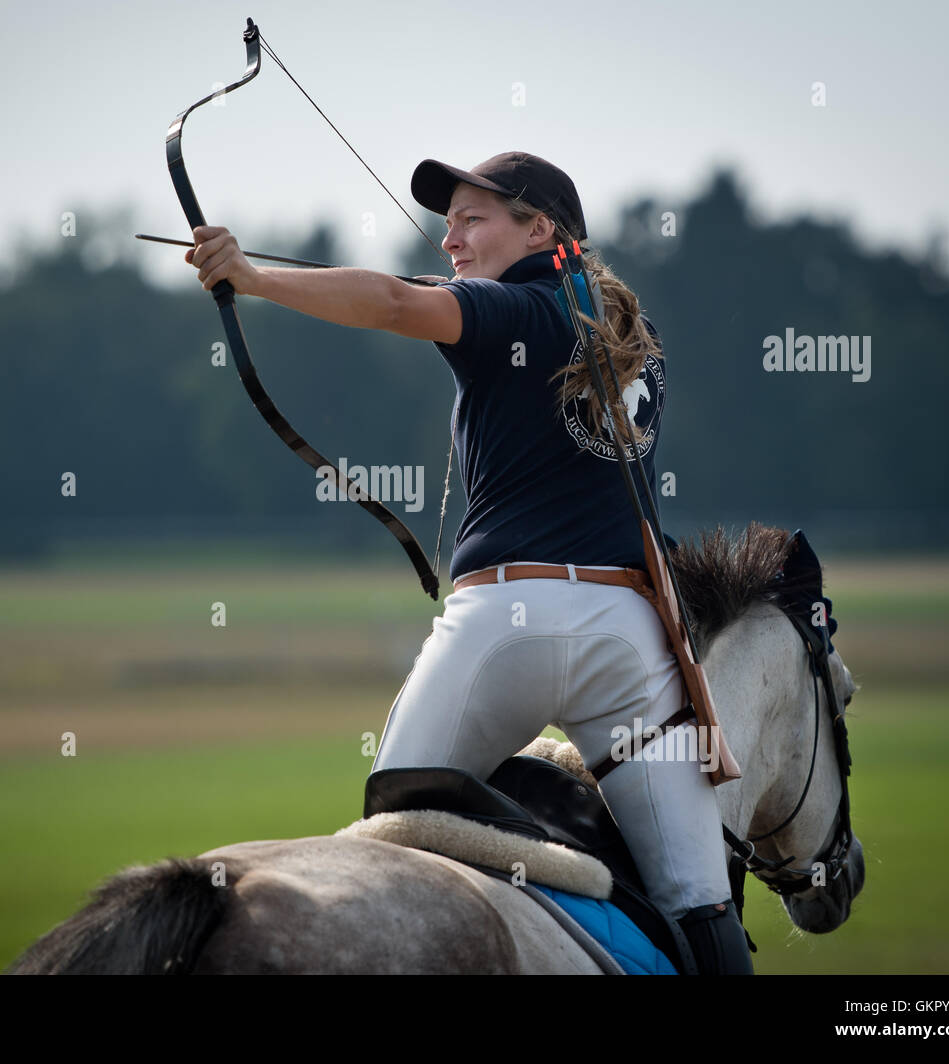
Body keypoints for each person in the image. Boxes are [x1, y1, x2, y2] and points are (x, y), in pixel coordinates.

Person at [184, 150, 753, 975]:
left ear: (539, 228)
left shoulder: (512, 313)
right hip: (629, 642)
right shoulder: (633, 334)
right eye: (447, 221)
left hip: (505, 628)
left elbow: (385, 302)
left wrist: (252, 277)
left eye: (472, 218)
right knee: (701, 902)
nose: (449, 237)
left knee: (387, 837)